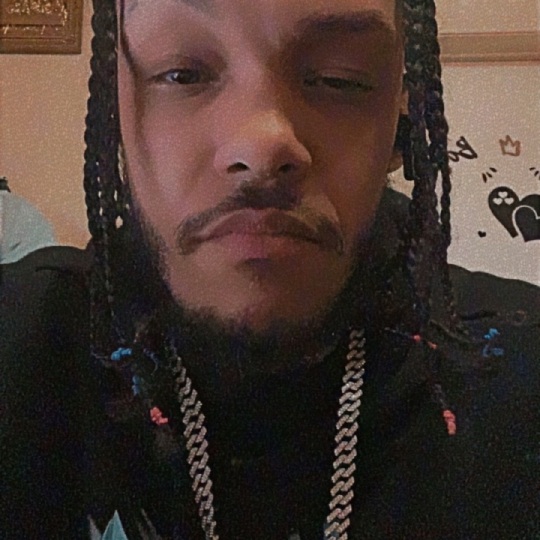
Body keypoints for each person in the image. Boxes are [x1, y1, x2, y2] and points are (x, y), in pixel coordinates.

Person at [0, 0, 538, 538]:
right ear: (113, 97)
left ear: (400, 104)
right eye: (182, 73)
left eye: (340, 79)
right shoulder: (25, 348)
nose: (262, 143)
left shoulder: (520, 377)